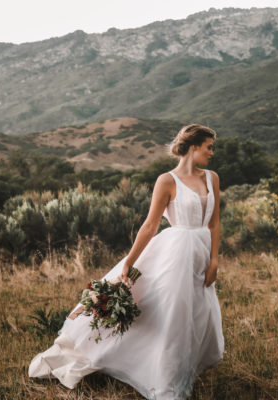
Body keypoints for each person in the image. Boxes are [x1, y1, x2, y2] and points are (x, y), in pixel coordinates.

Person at [28, 124, 225, 399]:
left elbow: (214, 222)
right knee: (172, 314)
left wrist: (214, 260)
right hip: (175, 253)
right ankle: (165, 374)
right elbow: (150, 225)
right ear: (193, 147)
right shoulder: (167, 181)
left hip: (202, 251)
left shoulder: (212, 178)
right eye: (208, 147)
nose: (212, 153)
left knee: (199, 310)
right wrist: (129, 262)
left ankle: (190, 363)